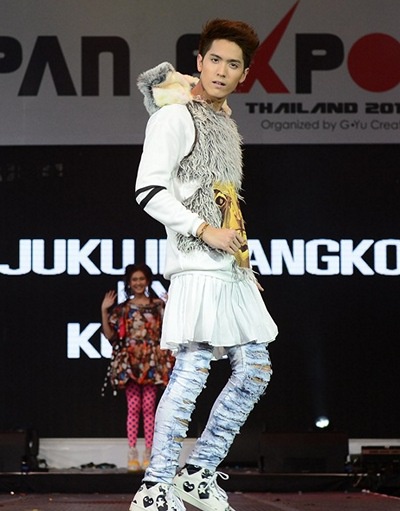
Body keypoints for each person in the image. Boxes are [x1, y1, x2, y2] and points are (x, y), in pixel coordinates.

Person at [130, 19, 278, 511]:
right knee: (192, 369)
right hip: (196, 262)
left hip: (230, 268)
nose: (221, 70)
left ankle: (197, 474)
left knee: (254, 371)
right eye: (214, 59)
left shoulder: (225, 124)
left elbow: (223, 200)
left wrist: (239, 256)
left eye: (232, 64)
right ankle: (155, 488)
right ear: (198, 61)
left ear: (244, 74)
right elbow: (149, 191)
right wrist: (202, 229)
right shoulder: (173, 118)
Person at [101, 263, 174, 472]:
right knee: (133, 409)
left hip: (151, 362)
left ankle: (149, 453)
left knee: (149, 409)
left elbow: (170, 329)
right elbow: (111, 336)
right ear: (129, 283)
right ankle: (132, 452)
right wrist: (104, 311)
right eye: (134, 280)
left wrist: (172, 306)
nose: (138, 283)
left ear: (148, 281)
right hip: (130, 362)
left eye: (142, 279)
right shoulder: (123, 309)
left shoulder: (158, 306)